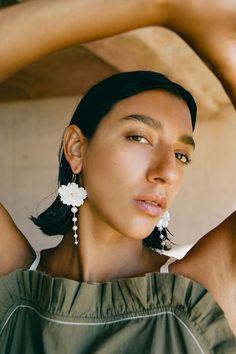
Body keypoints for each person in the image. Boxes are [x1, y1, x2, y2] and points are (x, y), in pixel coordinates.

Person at [0, 0, 235, 352]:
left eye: (181, 155)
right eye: (139, 137)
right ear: (77, 149)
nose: (167, 172)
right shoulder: (13, 284)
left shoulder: (203, 289)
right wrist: (159, 7)